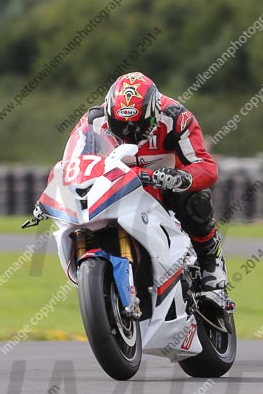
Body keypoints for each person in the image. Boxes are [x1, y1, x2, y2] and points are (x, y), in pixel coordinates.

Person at [65, 71, 235, 311]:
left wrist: (182, 178)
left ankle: (211, 263)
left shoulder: (176, 118)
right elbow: (72, 165)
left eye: (135, 126)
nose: (127, 133)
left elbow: (206, 167)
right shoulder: (92, 121)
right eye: (120, 125)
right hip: (115, 190)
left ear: (153, 113)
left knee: (196, 200)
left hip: (163, 189)